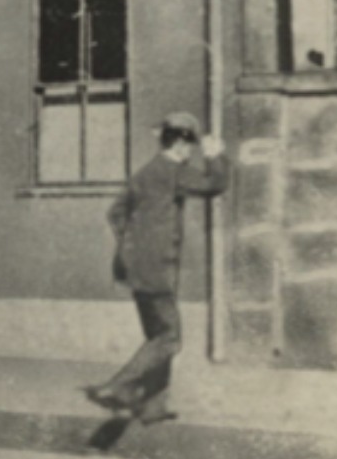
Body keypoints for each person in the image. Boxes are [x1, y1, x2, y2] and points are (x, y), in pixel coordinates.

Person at [85, 112, 230, 424]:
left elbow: (115, 213)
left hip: (135, 267)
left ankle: (153, 407)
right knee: (169, 339)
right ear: (180, 141)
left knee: (156, 334)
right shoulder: (172, 171)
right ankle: (116, 387)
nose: (191, 151)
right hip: (159, 267)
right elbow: (214, 185)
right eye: (190, 144)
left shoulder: (145, 172)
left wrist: (134, 245)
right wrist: (215, 156)